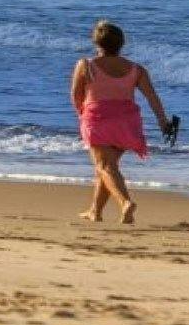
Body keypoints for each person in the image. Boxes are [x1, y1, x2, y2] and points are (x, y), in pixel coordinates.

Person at [71, 19, 169, 225]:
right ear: (121, 43)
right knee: (108, 166)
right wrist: (162, 121)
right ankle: (94, 211)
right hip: (127, 122)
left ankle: (125, 202)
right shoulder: (136, 69)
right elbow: (152, 97)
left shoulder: (86, 65)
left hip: (98, 118)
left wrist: (82, 115)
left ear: (96, 42)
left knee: (104, 166)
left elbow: (76, 95)